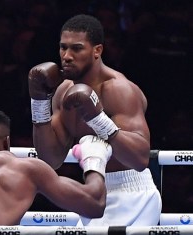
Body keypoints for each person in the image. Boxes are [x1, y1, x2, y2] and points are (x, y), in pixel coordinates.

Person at [28, 14, 162, 226]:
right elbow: (51, 159)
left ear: (97, 50)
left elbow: (140, 159)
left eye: (77, 48)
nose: (67, 56)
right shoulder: (64, 91)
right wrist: (39, 102)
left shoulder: (119, 90)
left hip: (132, 194)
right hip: (93, 192)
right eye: (63, 47)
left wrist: (98, 119)